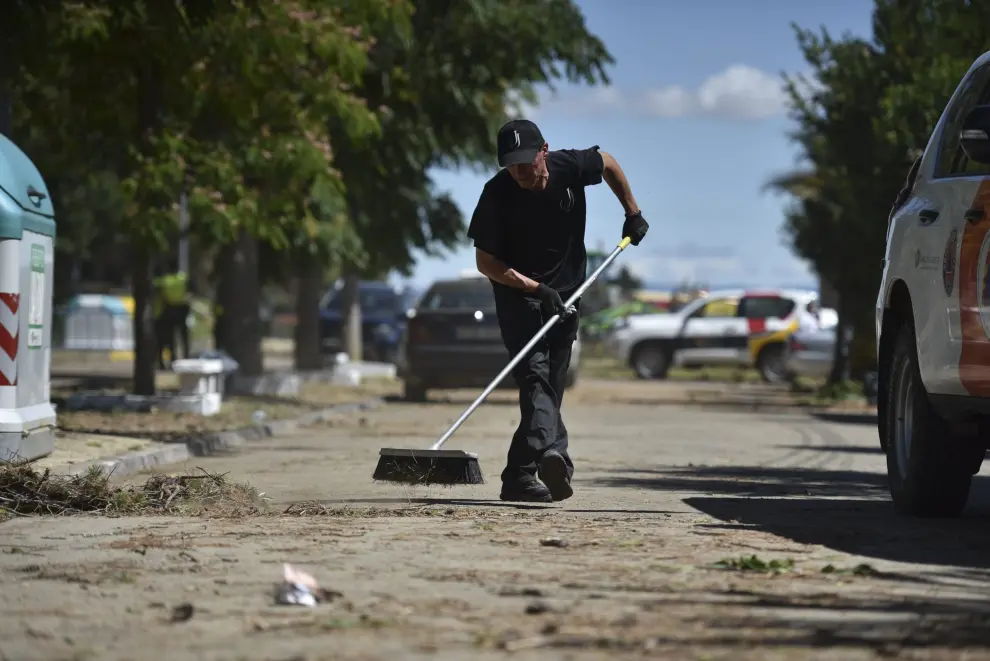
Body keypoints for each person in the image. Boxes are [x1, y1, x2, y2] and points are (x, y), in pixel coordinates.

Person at [467, 119, 649, 503]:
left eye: (526, 162)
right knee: (536, 380)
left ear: (543, 151)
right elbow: (486, 262)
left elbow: (609, 162)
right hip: (519, 297)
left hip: (568, 295)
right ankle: (554, 457)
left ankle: (519, 475)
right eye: (511, 165)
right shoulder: (497, 194)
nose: (519, 172)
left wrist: (632, 211)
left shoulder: (570, 166)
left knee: (551, 383)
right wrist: (535, 288)